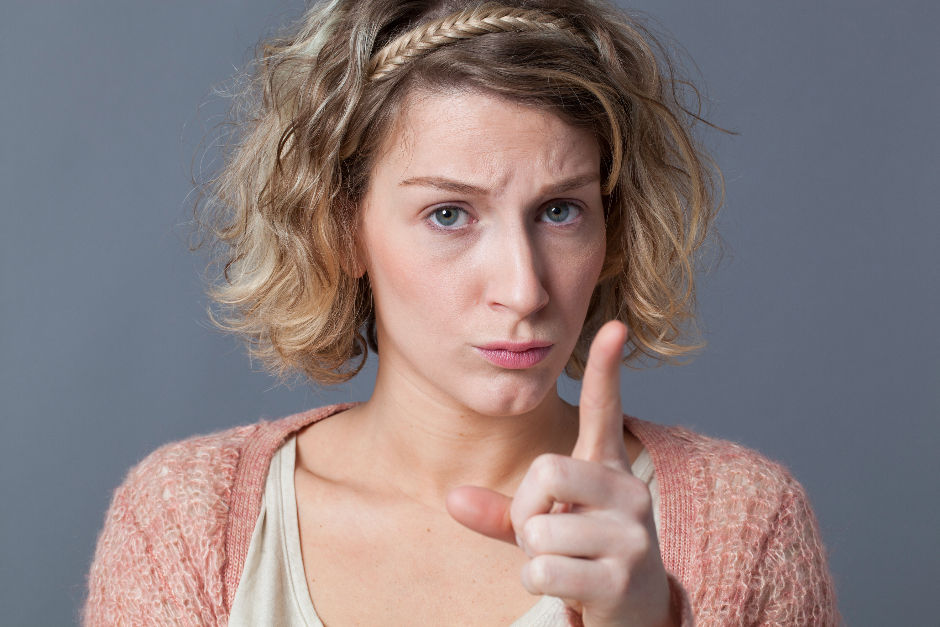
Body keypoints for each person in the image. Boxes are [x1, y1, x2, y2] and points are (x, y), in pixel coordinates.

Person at [82, 0, 840, 625]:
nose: (525, 288)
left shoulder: (748, 523)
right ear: (341, 230)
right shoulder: (182, 523)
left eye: (560, 211)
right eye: (449, 213)